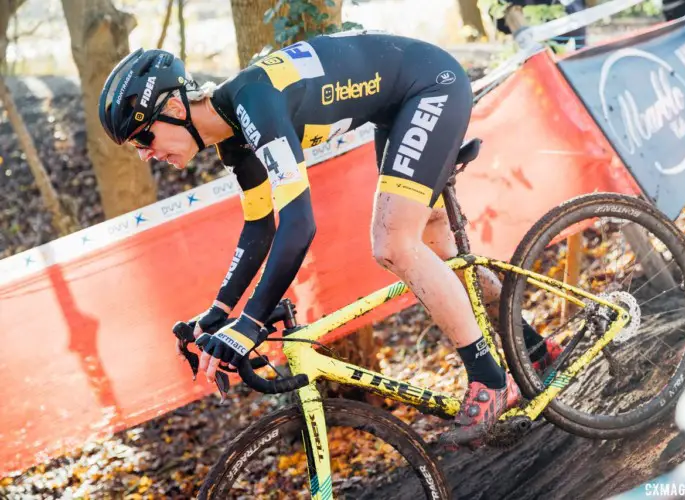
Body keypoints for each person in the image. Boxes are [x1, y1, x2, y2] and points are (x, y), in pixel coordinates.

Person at [97, 31, 560, 448]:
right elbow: (261, 229)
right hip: (398, 108)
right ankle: (532, 350)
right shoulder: (235, 140)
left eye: (144, 137)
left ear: (175, 108)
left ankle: (490, 379)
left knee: (393, 244)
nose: (145, 155)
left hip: (429, 85)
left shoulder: (254, 103)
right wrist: (218, 315)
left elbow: (300, 224)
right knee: (437, 250)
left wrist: (250, 325)